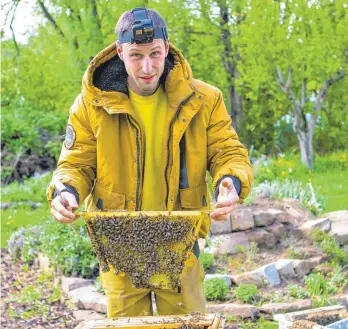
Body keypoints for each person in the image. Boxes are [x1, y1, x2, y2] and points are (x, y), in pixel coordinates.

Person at [47, 7, 253, 317]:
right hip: (119, 247)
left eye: (155, 53)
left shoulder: (206, 99)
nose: (147, 67)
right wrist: (65, 191)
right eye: (136, 55)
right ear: (119, 52)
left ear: (167, 48)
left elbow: (229, 152)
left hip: (180, 246)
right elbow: (76, 165)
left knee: (188, 325)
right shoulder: (91, 103)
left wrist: (232, 181)